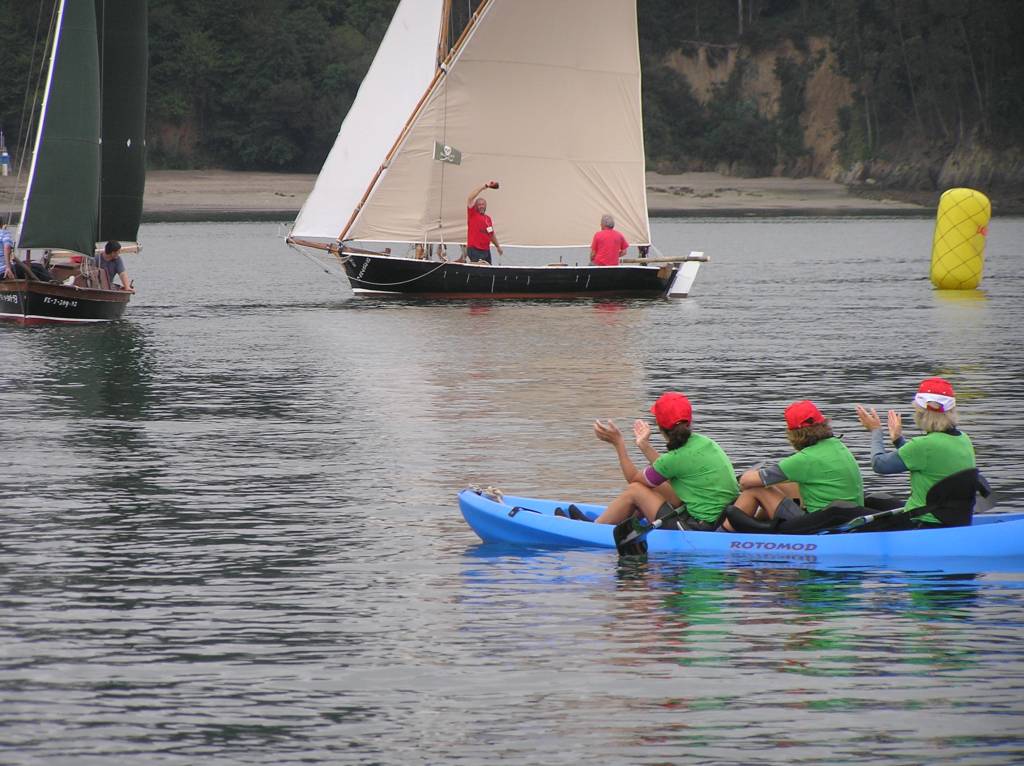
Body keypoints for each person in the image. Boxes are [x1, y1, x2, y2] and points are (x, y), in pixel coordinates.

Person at [586, 392, 739, 530]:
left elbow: (634, 479)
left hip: (698, 528)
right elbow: (667, 468)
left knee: (635, 490)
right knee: (658, 486)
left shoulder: (676, 458)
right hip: (720, 519)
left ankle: (594, 529)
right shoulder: (705, 442)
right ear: (690, 422)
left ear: (660, 427)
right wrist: (645, 446)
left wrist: (618, 443)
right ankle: (617, 521)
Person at [855, 377, 976, 526]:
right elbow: (926, 461)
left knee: (856, 513)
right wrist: (898, 441)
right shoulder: (964, 439)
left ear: (921, 412)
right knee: (875, 499)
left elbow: (879, 465)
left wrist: (876, 431)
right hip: (954, 517)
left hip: (924, 522)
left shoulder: (923, 445)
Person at [730, 400, 864, 527]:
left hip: (819, 523)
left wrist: (748, 476)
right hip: (845, 517)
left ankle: (729, 534)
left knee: (756, 488)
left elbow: (745, 482)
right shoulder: (838, 446)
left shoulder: (806, 459)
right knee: (781, 485)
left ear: (794, 434)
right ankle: (761, 528)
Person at [465, 182, 503, 264]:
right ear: (475, 206)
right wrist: (484, 186)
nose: (481, 206)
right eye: (479, 204)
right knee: (479, 269)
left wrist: (498, 247)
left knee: (488, 270)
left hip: (486, 250)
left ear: (486, 205)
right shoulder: (472, 214)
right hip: (474, 249)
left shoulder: (488, 219)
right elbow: (470, 198)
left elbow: (491, 234)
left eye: (483, 204)